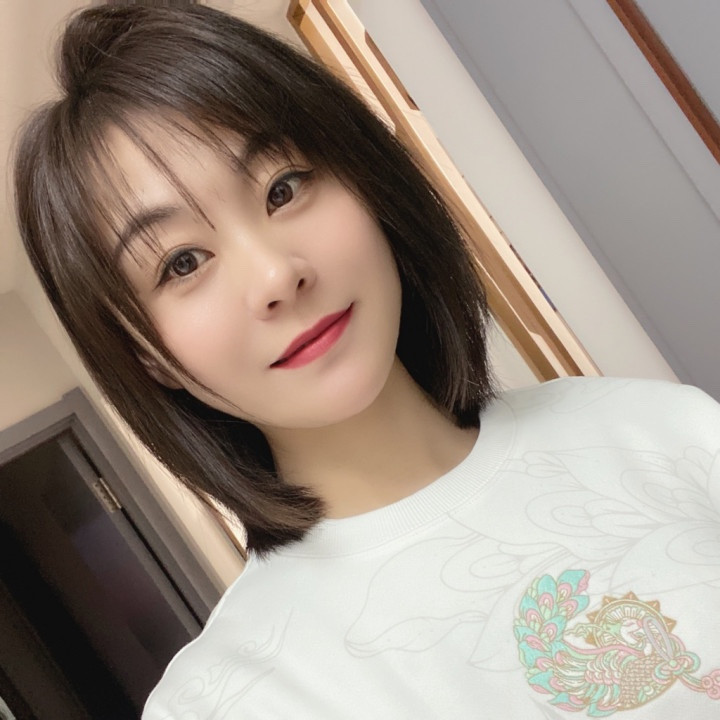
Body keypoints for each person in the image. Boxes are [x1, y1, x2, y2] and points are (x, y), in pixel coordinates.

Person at [13, 5, 720, 719]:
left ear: (364, 179)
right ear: (147, 356)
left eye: (283, 188)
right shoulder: (228, 702)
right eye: (183, 262)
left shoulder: (657, 426)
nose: (275, 275)